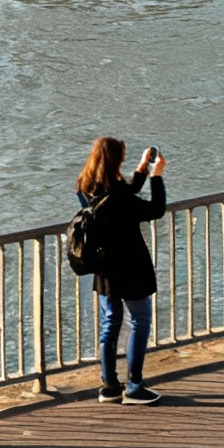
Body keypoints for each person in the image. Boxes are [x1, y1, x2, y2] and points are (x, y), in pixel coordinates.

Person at [74, 137, 167, 404]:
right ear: (117, 161)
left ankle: (109, 385)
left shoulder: (86, 188)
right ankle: (134, 386)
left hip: (104, 267)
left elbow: (125, 191)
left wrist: (142, 168)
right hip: (131, 266)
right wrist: (156, 176)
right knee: (139, 319)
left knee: (110, 322)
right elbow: (155, 209)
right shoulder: (119, 198)